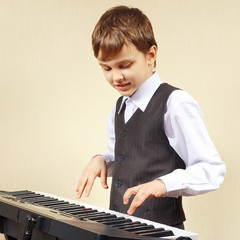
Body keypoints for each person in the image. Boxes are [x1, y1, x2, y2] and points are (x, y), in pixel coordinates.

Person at [75, 5, 226, 229]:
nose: (116, 77)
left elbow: (212, 170)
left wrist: (162, 184)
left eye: (125, 65)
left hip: (160, 232)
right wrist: (103, 160)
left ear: (151, 55)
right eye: (106, 68)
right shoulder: (120, 106)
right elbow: (128, 161)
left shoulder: (175, 103)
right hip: (120, 229)